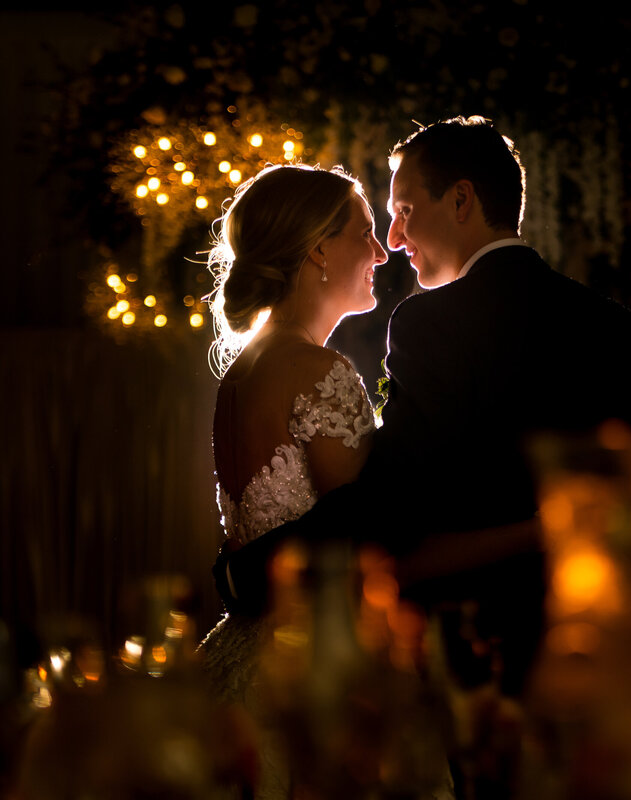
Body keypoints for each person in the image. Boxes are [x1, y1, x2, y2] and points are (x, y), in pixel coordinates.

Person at [214, 117, 631, 793]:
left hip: (471, 674)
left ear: (463, 201)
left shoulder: (431, 323)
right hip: (604, 678)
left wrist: (253, 569)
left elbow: (391, 505)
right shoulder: (618, 329)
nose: (393, 239)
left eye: (405, 211)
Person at [196, 163, 429, 798]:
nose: (382, 252)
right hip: (307, 661)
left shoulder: (246, 367)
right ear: (319, 249)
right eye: (365, 234)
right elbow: (366, 534)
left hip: (238, 649)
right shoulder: (320, 371)